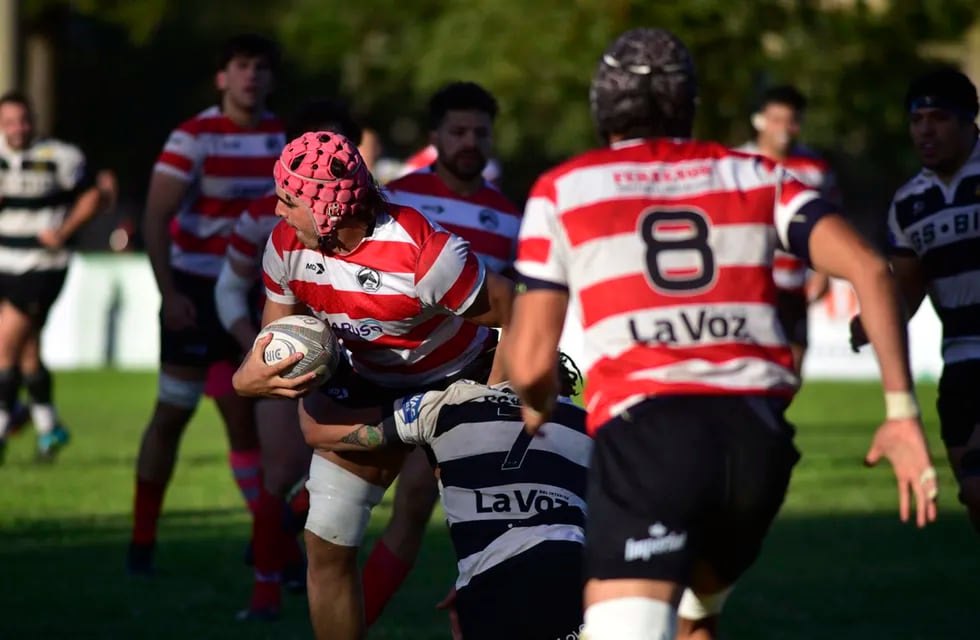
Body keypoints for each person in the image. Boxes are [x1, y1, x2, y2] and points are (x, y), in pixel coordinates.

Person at [505, 28, 938, 640]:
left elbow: (529, 364)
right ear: (690, 103)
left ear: (602, 104)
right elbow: (869, 267)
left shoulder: (565, 187)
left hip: (650, 438)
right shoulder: (757, 174)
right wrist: (901, 414)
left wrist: (538, 402)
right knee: (695, 617)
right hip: (757, 443)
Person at [231, 130, 513, 640]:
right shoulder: (286, 246)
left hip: (460, 384)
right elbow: (275, 346)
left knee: (496, 550)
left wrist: (496, 400)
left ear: (328, 209)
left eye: (289, 200)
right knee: (326, 539)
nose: (277, 210)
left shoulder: (425, 254)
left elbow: (519, 315)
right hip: (370, 384)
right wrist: (248, 379)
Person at [363, 80, 521, 625]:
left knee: (413, 510)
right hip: (384, 372)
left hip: (464, 382)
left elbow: (517, 309)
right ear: (435, 137)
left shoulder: (511, 216)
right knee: (346, 494)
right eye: (458, 131)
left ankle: (354, 621)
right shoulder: (396, 197)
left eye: (480, 131)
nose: (470, 141)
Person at [126, 33, 285, 576]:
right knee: (173, 413)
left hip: (254, 294)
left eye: (261, 68)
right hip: (194, 292)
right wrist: (169, 294)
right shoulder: (192, 137)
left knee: (247, 419)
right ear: (222, 77)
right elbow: (154, 217)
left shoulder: (285, 139)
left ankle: (269, 543)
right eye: (241, 66)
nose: (251, 77)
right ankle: (141, 540)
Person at [297, 355, 589, 640]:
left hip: (490, 581)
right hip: (576, 568)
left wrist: (308, 375)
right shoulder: (591, 427)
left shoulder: (448, 404)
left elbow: (319, 431)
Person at [215, 97, 363, 620]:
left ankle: (291, 536)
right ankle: (265, 596)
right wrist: (255, 346)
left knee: (348, 474)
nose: (329, 161)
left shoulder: (377, 218)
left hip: (360, 366)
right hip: (287, 354)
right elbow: (229, 289)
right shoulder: (264, 217)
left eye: (341, 147)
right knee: (279, 473)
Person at [852, 67, 980, 535]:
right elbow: (909, 285)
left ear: (971, 121)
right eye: (917, 119)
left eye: (940, 117)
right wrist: (879, 318)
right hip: (961, 363)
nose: (925, 130)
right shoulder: (909, 203)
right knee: (972, 496)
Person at [0, 91, 101, 463]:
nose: (18, 129)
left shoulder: (60, 156)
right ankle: (48, 426)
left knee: (4, 345)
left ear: (34, 120)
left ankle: (3, 424)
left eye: (23, 121)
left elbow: (95, 194)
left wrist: (64, 230)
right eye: (10, 122)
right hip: (3, 260)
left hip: (42, 265)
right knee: (26, 351)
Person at [738, 85, 835, 375]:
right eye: (776, 119)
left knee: (793, 368)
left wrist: (824, 271)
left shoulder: (816, 167)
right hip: (751, 283)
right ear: (760, 121)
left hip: (794, 284)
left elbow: (830, 222)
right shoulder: (737, 162)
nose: (784, 128)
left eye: (790, 120)